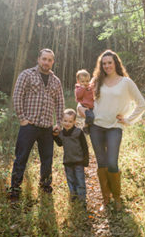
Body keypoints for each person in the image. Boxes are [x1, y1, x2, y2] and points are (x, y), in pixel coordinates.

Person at [89, 49, 145, 212]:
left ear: (116, 64)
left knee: (112, 162)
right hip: (96, 126)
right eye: (104, 63)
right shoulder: (96, 81)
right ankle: (105, 199)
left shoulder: (126, 82)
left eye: (110, 63)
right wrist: (81, 110)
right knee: (101, 163)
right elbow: (83, 100)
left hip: (115, 127)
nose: (107, 66)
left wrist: (128, 119)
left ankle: (117, 198)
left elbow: (142, 103)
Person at [8, 48, 65, 200]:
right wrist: (22, 118)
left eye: (50, 60)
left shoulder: (56, 81)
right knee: (21, 157)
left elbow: (60, 103)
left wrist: (58, 123)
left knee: (47, 159)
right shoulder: (26, 75)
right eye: (44, 59)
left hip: (47, 127)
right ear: (38, 59)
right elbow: (17, 95)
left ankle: (45, 186)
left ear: (53, 62)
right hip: (29, 125)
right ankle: (15, 188)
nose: (46, 62)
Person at [53, 109, 88, 205]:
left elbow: (85, 147)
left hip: (78, 161)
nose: (67, 123)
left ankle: (82, 200)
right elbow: (60, 144)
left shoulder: (78, 132)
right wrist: (55, 136)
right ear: (61, 121)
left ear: (74, 122)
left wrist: (86, 160)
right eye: (65, 121)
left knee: (80, 181)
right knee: (70, 180)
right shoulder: (61, 133)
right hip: (68, 161)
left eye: (70, 121)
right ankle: (73, 197)